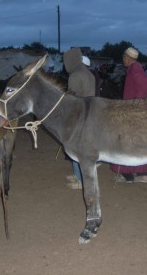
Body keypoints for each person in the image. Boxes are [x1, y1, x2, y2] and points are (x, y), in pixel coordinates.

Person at [110, 47, 147, 183]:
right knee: (136, 143)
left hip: (132, 113)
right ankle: (142, 173)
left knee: (127, 143)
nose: (123, 60)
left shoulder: (135, 70)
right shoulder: (134, 69)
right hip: (133, 112)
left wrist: (134, 107)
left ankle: (127, 174)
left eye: (124, 57)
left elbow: (145, 88)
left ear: (128, 57)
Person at [63, 48, 96, 190]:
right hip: (90, 112)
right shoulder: (89, 74)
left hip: (78, 115)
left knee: (75, 147)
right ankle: (77, 175)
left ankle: (80, 179)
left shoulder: (75, 76)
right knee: (82, 148)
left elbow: (73, 100)